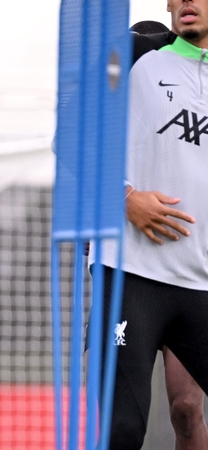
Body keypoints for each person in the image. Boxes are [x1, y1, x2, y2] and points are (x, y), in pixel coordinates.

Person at [94, 3, 208, 449]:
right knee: (121, 429)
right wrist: (125, 198)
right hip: (132, 276)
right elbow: (70, 141)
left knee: (186, 408)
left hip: (200, 279)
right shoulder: (132, 57)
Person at [126, 19, 208, 450]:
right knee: (121, 418)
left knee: (185, 407)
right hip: (137, 274)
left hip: (191, 277)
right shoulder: (131, 95)